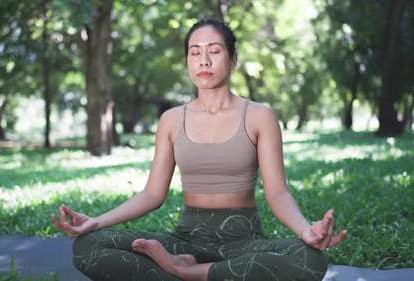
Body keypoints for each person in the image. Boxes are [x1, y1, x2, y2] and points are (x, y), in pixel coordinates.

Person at [51, 17, 347, 281]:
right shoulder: (171, 120)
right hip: (185, 240)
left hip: (244, 243)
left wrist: (305, 230)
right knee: (87, 247)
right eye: (195, 52)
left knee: (311, 260)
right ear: (188, 62)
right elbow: (153, 194)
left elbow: (278, 193)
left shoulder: (260, 116)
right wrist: (95, 222)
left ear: (233, 59)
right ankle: (200, 271)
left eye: (214, 51)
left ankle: (185, 272)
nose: (203, 60)